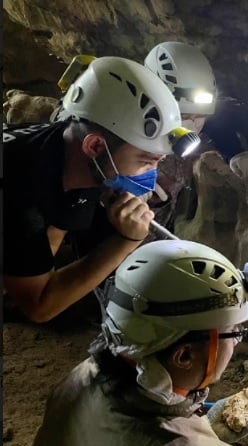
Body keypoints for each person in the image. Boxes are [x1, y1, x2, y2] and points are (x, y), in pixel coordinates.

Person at [32, 239, 248, 446]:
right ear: (184, 355)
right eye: (233, 333)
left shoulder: (82, 377)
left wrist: (205, 424)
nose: (235, 342)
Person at [3, 56, 199, 323]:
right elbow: (40, 305)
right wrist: (126, 242)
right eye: (145, 161)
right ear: (94, 146)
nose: (149, 176)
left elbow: (54, 232)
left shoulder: (78, 160)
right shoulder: (22, 188)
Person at [143, 41, 248, 230]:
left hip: (161, 219)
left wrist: (238, 158)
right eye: (184, 116)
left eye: (200, 116)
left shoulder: (208, 123)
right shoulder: (124, 133)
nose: (192, 124)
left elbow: (225, 137)